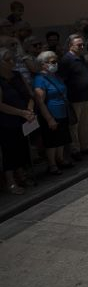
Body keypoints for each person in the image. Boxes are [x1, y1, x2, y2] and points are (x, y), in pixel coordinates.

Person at [0, 47, 35, 194]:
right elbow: (0, 105)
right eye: (7, 60)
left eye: (13, 58)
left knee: (22, 148)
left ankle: (21, 175)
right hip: (7, 120)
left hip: (24, 118)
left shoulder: (17, 75)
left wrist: (30, 110)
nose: (12, 62)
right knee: (10, 151)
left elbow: (29, 94)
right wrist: (22, 113)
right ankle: (10, 182)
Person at [33, 51, 74, 175]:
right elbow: (40, 102)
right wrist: (49, 119)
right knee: (52, 141)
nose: (56, 64)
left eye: (56, 61)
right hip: (51, 113)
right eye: (52, 62)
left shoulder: (55, 76)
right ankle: (52, 164)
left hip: (63, 112)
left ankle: (60, 159)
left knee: (61, 138)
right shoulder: (39, 79)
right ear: (43, 64)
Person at [59, 34, 88, 160]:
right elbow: (62, 79)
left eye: (83, 44)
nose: (82, 47)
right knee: (74, 125)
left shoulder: (81, 58)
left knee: (86, 123)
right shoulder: (66, 60)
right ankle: (76, 150)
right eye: (79, 45)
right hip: (74, 98)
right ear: (70, 45)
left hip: (86, 96)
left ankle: (85, 146)